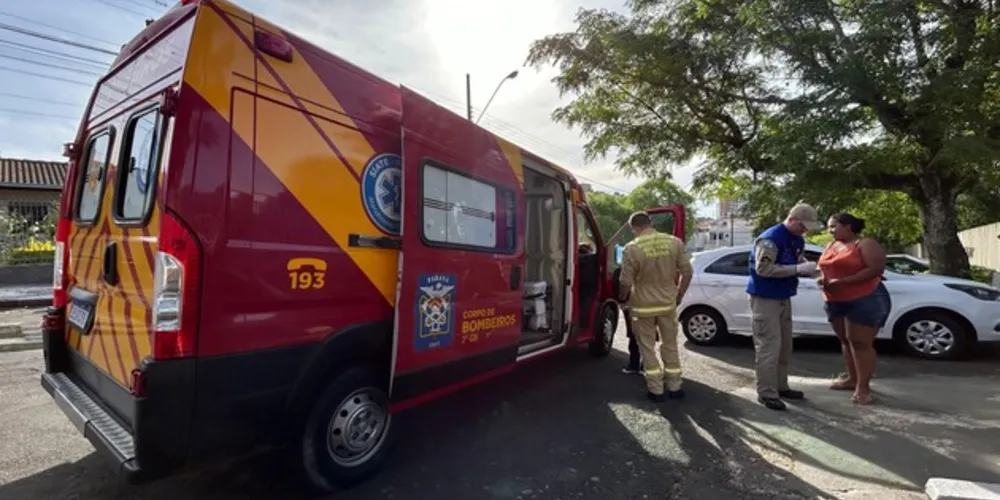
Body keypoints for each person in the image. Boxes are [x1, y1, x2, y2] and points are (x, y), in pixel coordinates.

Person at [746, 203, 821, 411]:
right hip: (765, 297)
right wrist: (798, 268)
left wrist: (808, 270)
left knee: (784, 346)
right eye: (803, 226)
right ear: (793, 220)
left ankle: (780, 386)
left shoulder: (796, 239)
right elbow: (764, 269)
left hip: (783, 295)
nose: (805, 230)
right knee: (769, 346)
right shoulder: (770, 239)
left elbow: (796, 261)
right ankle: (767, 393)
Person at [618, 211, 693, 402]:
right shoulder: (674, 242)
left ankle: (656, 390)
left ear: (634, 227)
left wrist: (622, 298)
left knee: (647, 347)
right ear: (650, 223)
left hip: (642, 305)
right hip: (667, 303)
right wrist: (679, 294)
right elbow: (687, 272)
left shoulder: (632, 247)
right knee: (670, 344)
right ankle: (675, 386)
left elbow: (625, 281)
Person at [817, 213, 890, 405]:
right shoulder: (831, 245)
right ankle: (852, 379)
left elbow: (875, 270)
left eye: (833, 226)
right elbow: (825, 269)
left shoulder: (865, 244)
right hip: (834, 300)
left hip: (865, 298)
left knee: (860, 343)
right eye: (829, 227)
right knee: (846, 341)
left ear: (848, 226)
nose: (830, 230)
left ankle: (863, 388)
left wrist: (842, 283)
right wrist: (823, 280)